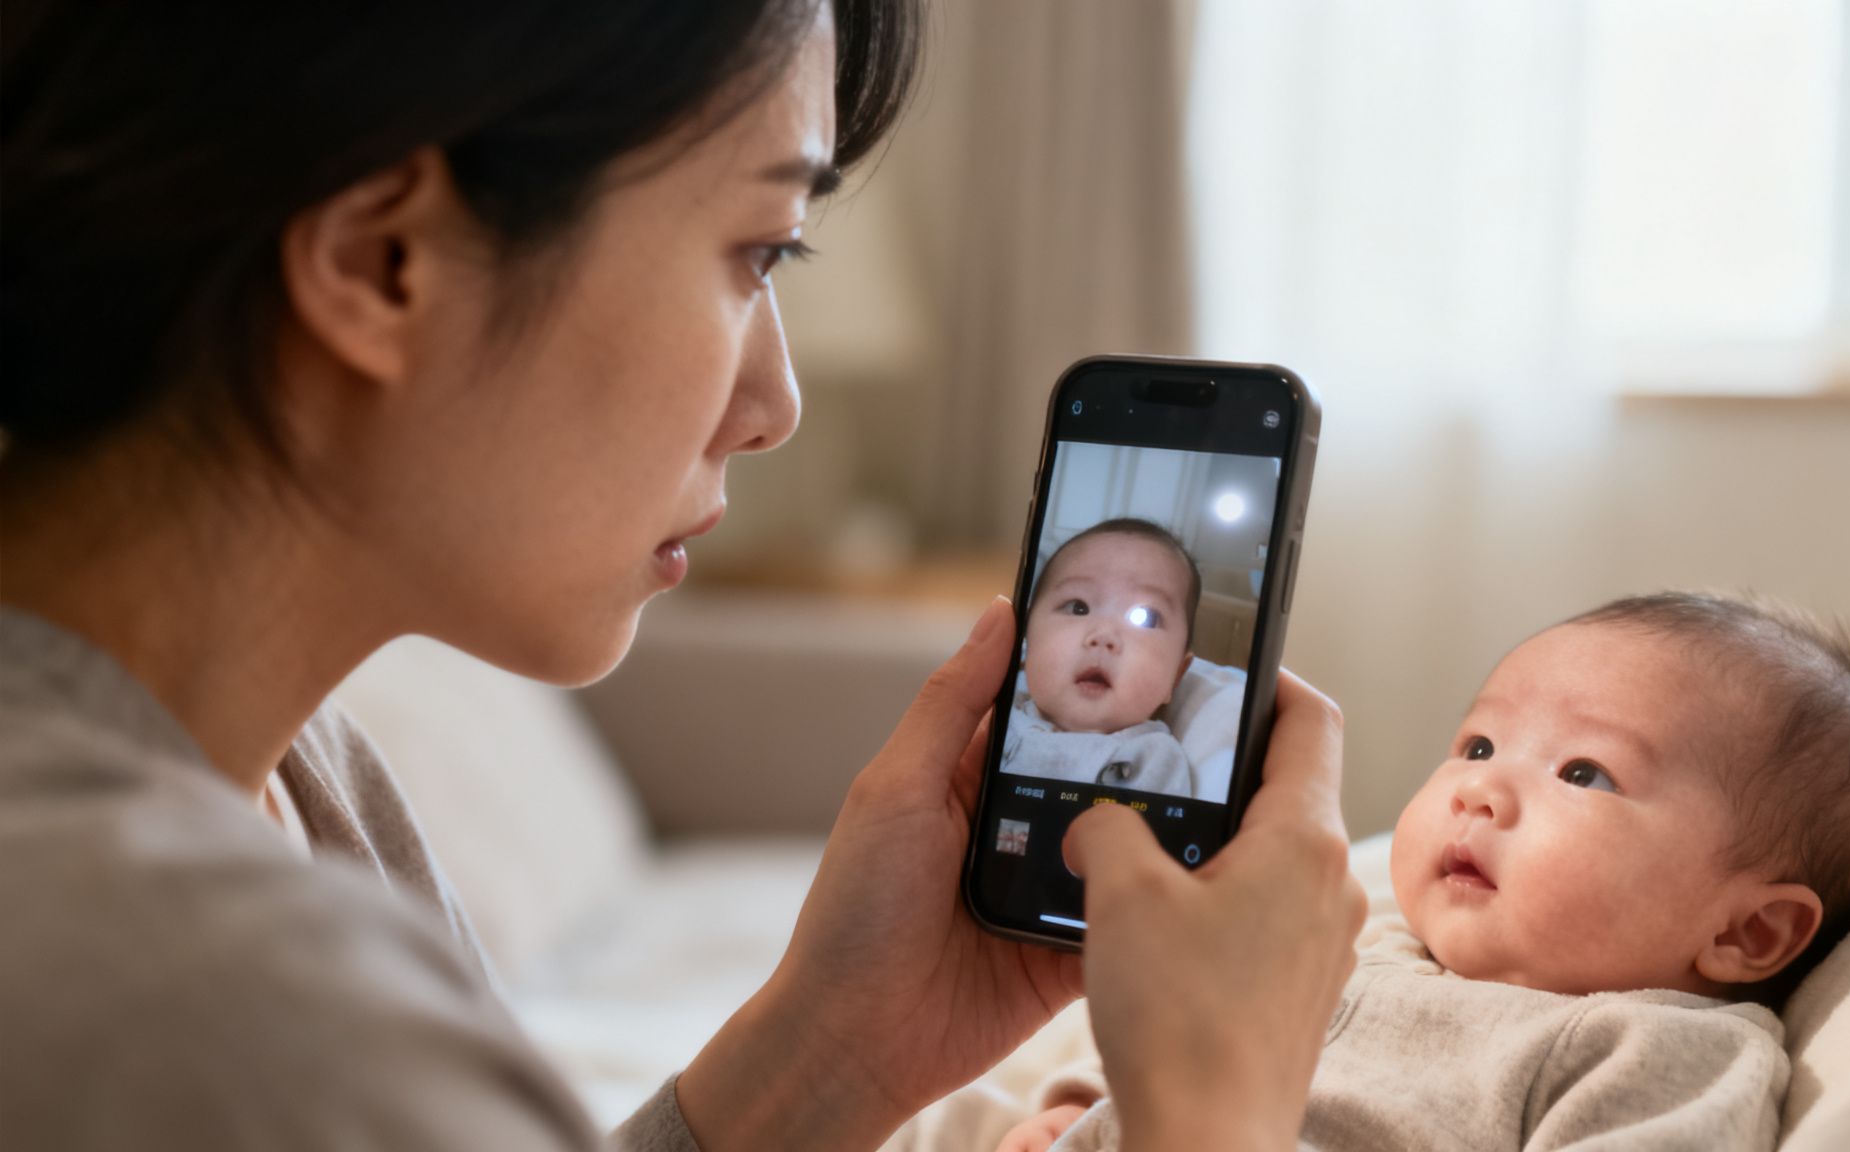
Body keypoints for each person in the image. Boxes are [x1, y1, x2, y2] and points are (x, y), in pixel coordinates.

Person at [0, 2, 1368, 1150]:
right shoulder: (206, 999)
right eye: (756, 251)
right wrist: (1215, 1110)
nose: (774, 403)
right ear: (384, 262)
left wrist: (831, 1053)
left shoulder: (290, 773)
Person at [988, 592, 1850, 1152]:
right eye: (1478, 743)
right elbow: (1192, 1062)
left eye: (1581, 772)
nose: (1481, 790)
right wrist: (1076, 1113)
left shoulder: (1656, 1047)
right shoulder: (1363, 940)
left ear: (1745, 932)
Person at [1004, 519, 1199, 795]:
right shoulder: (996, 714)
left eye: (1147, 618)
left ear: (1176, 677)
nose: (1103, 636)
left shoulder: (1152, 758)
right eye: (1078, 607)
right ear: (1028, 642)